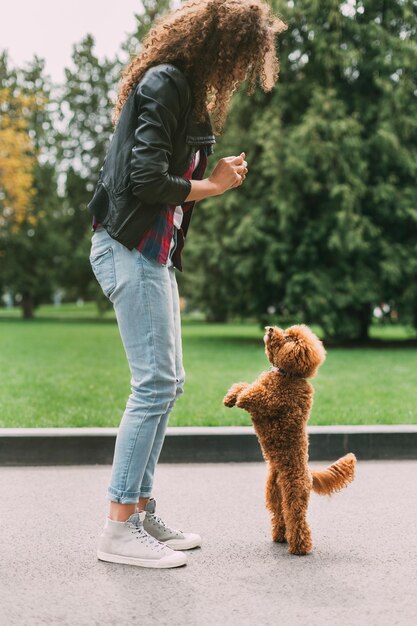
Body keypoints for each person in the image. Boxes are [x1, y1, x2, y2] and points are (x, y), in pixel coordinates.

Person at [88, 0, 287, 569]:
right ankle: (118, 529)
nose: (243, 69)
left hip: (155, 256)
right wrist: (216, 184)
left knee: (168, 383)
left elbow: (167, 174)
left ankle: (142, 515)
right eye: (243, 57)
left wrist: (211, 175)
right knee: (152, 384)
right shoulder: (165, 82)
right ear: (220, 44)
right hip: (129, 249)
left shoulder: (186, 88)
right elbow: (146, 177)